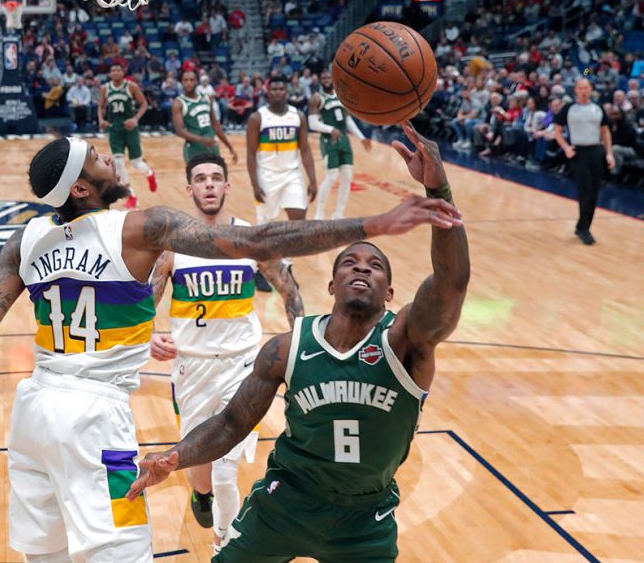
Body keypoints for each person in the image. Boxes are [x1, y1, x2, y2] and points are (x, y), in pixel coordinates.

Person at [0, 137, 462, 563]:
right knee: (123, 553)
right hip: (95, 420)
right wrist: (372, 224)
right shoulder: (141, 228)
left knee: (48, 556)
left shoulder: (22, 243)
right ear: (82, 189)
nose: (108, 156)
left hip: (32, 414)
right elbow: (258, 242)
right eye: (95, 157)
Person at [126, 122, 470, 562]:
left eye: (374, 266)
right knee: (216, 478)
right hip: (284, 504)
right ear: (331, 284)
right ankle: (207, 505)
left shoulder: (406, 342)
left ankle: (218, 524)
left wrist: (439, 189)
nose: (361, 267)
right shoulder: (287, 349)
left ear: (389, 292)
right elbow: (230, 424)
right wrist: (175, 457)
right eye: (349, 262)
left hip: (365, 518)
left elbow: (451, 283)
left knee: (227, 473)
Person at [149, 154, 301, 553]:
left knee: (225, 466)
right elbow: (145, 300)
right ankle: (201, 495)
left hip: (244, 364)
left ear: (227, 186)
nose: (209, 184)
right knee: (200, 462)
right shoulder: (173, 244)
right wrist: (148, 335)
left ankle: (224, 546)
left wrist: (302, 339)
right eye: (201, 179)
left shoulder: (250, 238)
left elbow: (288, 289)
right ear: (190, 189)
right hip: (193, 366)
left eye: (216, 178)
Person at [247, 75, 318, 291]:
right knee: (264, 227)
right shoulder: (258, 118)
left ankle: (286, 267)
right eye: (274, 89)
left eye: (281, 89)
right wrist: (254, 184)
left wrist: (313, 179)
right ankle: (260, 269)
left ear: (286, 91)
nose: (278, 92)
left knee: (297, 223)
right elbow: (250, 153)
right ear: (268, 92)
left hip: (291, 175)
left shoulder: (298, 116)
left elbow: (305, 149)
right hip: (266, 176)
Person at [552, 78, 614, 246]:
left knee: (594, 190)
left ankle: (583, 225)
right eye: (581, 88)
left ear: (591, 89)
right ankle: (583, 229)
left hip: (596, 151)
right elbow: (557, 131)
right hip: (578, 152)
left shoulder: (598, 108)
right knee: (585, 188)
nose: (584, 91)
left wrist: (609, 153)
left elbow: (605, 132)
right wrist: (566, 148)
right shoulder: (568, 108)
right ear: (576, 90)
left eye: (586, 88)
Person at [308, 70, 372, 220]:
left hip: (344, 140)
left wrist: (361, 137)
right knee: (331, 176)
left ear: (333, 79)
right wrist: (330, 129)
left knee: (347, 177)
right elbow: (312, 124)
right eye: (323, 77)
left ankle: (338, 213)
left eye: (329, 77)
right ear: (320, 80)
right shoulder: (316, 98)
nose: (326, 79)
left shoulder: (342, 97)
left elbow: (348, 120)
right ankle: (319, 213)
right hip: (328, 141)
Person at [99, 63, 158, 206]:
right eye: (113, 70)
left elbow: (144, 104)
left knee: (136, 163)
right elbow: (100, 106)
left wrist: (135, 119)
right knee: (118, 163)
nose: (116, 72)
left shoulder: (131, 86)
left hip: (130, 128)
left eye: (118, 70)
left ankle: (150, 173)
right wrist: (101, 119)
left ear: (123, 72)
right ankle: (131, 195)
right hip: (115, 129)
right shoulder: (105, 88)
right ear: (110, 74)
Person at [172, 70, 238, 166]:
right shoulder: (178, 103)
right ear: (182, 82)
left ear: (196, 81)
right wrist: (202, 140)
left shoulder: (207, 99)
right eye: (185, 80)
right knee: (197, 175)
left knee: (218, 174)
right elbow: (179, 131)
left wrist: (230, 147)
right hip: (194, 149)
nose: (188, 83)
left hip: (211, 146)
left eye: (191, 80)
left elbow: (215, 125)